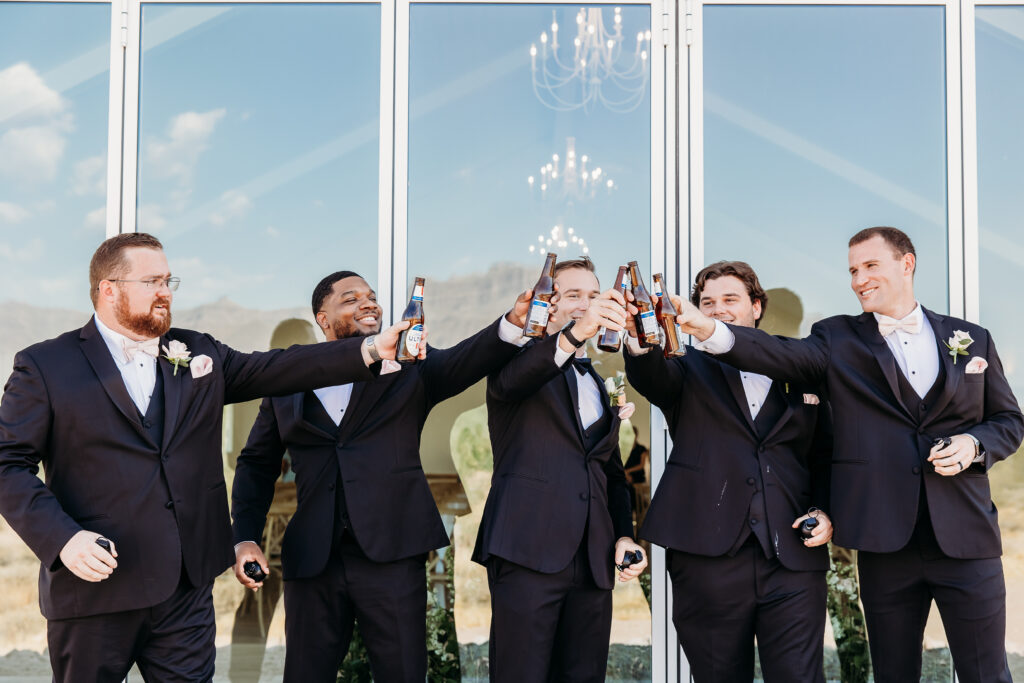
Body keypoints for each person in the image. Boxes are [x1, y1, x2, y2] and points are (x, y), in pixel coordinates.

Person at [0, 233, 404, 682]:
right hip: (94, 591)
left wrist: (368, 350)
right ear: (108, 289)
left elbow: (280, 367)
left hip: (186, 592)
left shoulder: (199, 351)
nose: (165, 292)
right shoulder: (45, 365)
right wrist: (63, 540)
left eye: (169, 280)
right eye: (151, 281)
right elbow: (7, 465)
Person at [674, 228, 1024, 683]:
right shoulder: (836, 338)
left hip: (967, 538)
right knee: (894, 673)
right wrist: (708, 329)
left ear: (907, 264)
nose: (859, 279)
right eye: (853, 271)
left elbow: (1008, 421)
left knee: (987, 673)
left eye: (870, 266)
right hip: (884, 543)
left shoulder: (971, 339)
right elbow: (780, 355)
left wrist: (974, 444)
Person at [230, 270, 530, 682]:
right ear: (323, 318)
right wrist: (245, 536)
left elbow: (466, 359)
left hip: (392, 552)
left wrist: (511, 324)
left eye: (371, 297)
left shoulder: (411, 367)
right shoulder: (288, 380)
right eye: (351, 299)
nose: (369, 303)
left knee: (402, 673)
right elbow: (256, 463)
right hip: (314, 559)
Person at [624, 260, 833, 682]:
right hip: (706, 560)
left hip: (791, 559)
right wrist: (638, 339)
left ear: (757, 306)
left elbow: (825, 456)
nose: (717, 309)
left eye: (730, 300)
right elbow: (651, 375)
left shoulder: (802, 368)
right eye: (707, 302)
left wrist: (826, 510)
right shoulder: (683, 367)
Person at [473, 257, 647, 682]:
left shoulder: (597, 379)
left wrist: (623, 533)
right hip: (526, 554)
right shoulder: (514, 360)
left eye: (593, 296)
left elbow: (610, 475)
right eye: (573, 296)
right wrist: (577, 333)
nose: (586, 305)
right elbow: (514, 382)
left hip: (592, 562)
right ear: (549, 304)